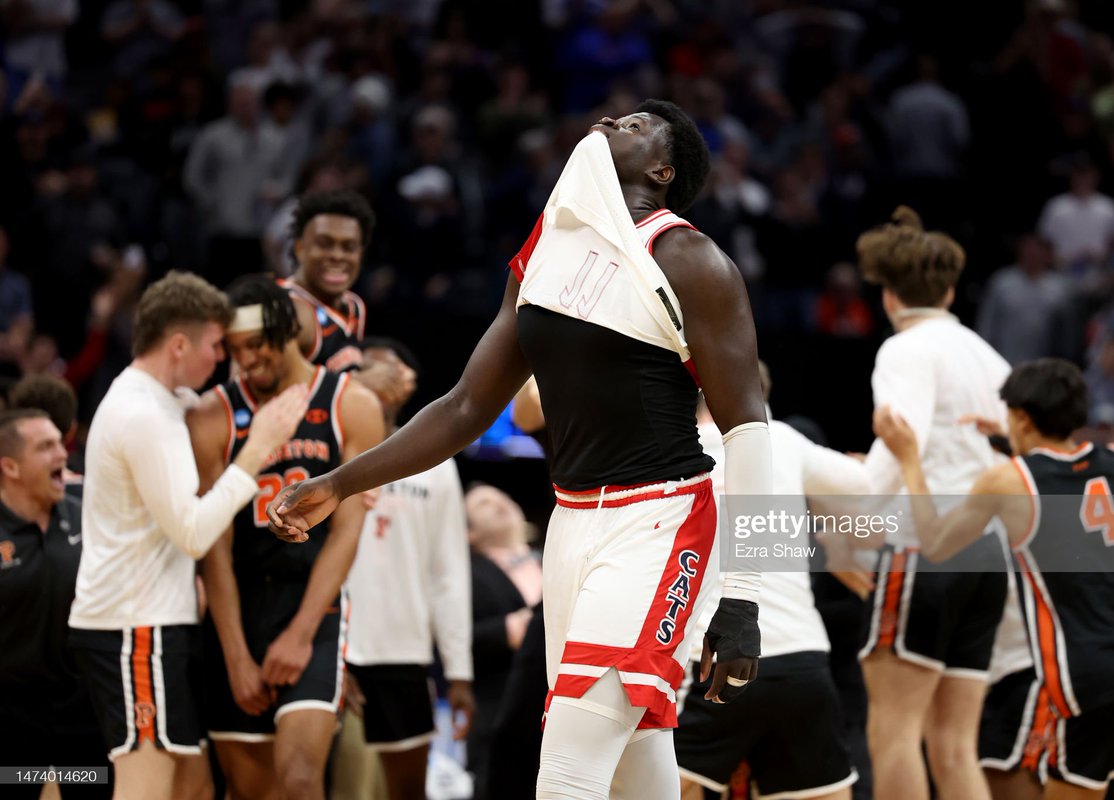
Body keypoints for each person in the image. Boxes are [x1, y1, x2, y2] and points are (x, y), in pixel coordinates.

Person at [268, 99, 771, 800]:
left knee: (566, 767)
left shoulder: (689, 257)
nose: (605, 124)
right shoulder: (543, 252)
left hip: (659, 522)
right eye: (609, 118)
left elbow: (750, 429)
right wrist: (342, 482)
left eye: (632, 126)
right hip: (568, 524)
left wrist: (747, 598)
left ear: (662, 167)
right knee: (635, 760)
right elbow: (466, 407)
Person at [873, 358, 1114, 799]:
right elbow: (1066, 474)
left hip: (1089, 674)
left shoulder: (1006, 481)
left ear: (1023, 418)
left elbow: (934, 541)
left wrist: (910, 460)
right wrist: (1017, 444)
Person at [67, 271, 308, 800]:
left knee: (193, 789)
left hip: (146, 626)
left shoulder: (154, 400)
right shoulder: (144, 414)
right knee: (146, 790)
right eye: (216, 345)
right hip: (136, 628)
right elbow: (195, 534)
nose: (224, 359)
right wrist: (257, 446)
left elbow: (305, 337)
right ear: (179, 344)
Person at [840, 207, 1012, 800]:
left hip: (922, 542)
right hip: (987, 557)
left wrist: (857, 509)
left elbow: (899, 435)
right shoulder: (991, 357)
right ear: (950, 289)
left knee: (894, 732)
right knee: (956, 745)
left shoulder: (906, 350)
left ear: (888, 296)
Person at [189, 275, 383, 799]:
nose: (246, 361)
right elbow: (215, 548)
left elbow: (347, 533)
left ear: (289, 334)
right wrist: (234, 655)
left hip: (312, 607)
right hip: (239, 607)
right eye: (235, 350)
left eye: (256, 346)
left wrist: (300, 633)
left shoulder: (352, 404)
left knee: (299, 780)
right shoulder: (212, 416)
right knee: (254, 791)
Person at [676, 367, 861, 800]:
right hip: (801, 656)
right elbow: (872, 490)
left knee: (654, 785)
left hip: (709, 658)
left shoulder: (676, 445)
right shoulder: (786, 439)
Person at [344, 338, 474, 800]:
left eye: (389, 372)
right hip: (336, 653)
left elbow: (449, 574)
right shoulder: (327, 454)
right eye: (366, 370)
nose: (378, 381)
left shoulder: (435, 465)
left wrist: (459, 672)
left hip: (405, 655)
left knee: (406, 792)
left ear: (407, 385)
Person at [0, 409, 108, 799]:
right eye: (45, 447)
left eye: (59, 443)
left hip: (82, 706)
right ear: (10, 467)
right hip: (11, 714)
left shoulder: (87, 517)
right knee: (16, 784)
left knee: (92, 788)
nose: (61, 454)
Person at [281, 188, 411, 407]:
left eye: (348, 247)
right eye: (325, 244)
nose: (337, 255)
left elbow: (331, 366)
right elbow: (264, 390)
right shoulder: (285, 308)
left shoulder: (353, 305)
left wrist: (379, 368)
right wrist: (355, 382)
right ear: (300, 248)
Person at [466, 483, 542, 799]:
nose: (499, 501)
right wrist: (505, 630)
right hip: (499, 707)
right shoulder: (467, 573)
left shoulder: (553, 556)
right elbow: (450, 639)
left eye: (503, 495)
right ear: (469, 532)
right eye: (483, 503)